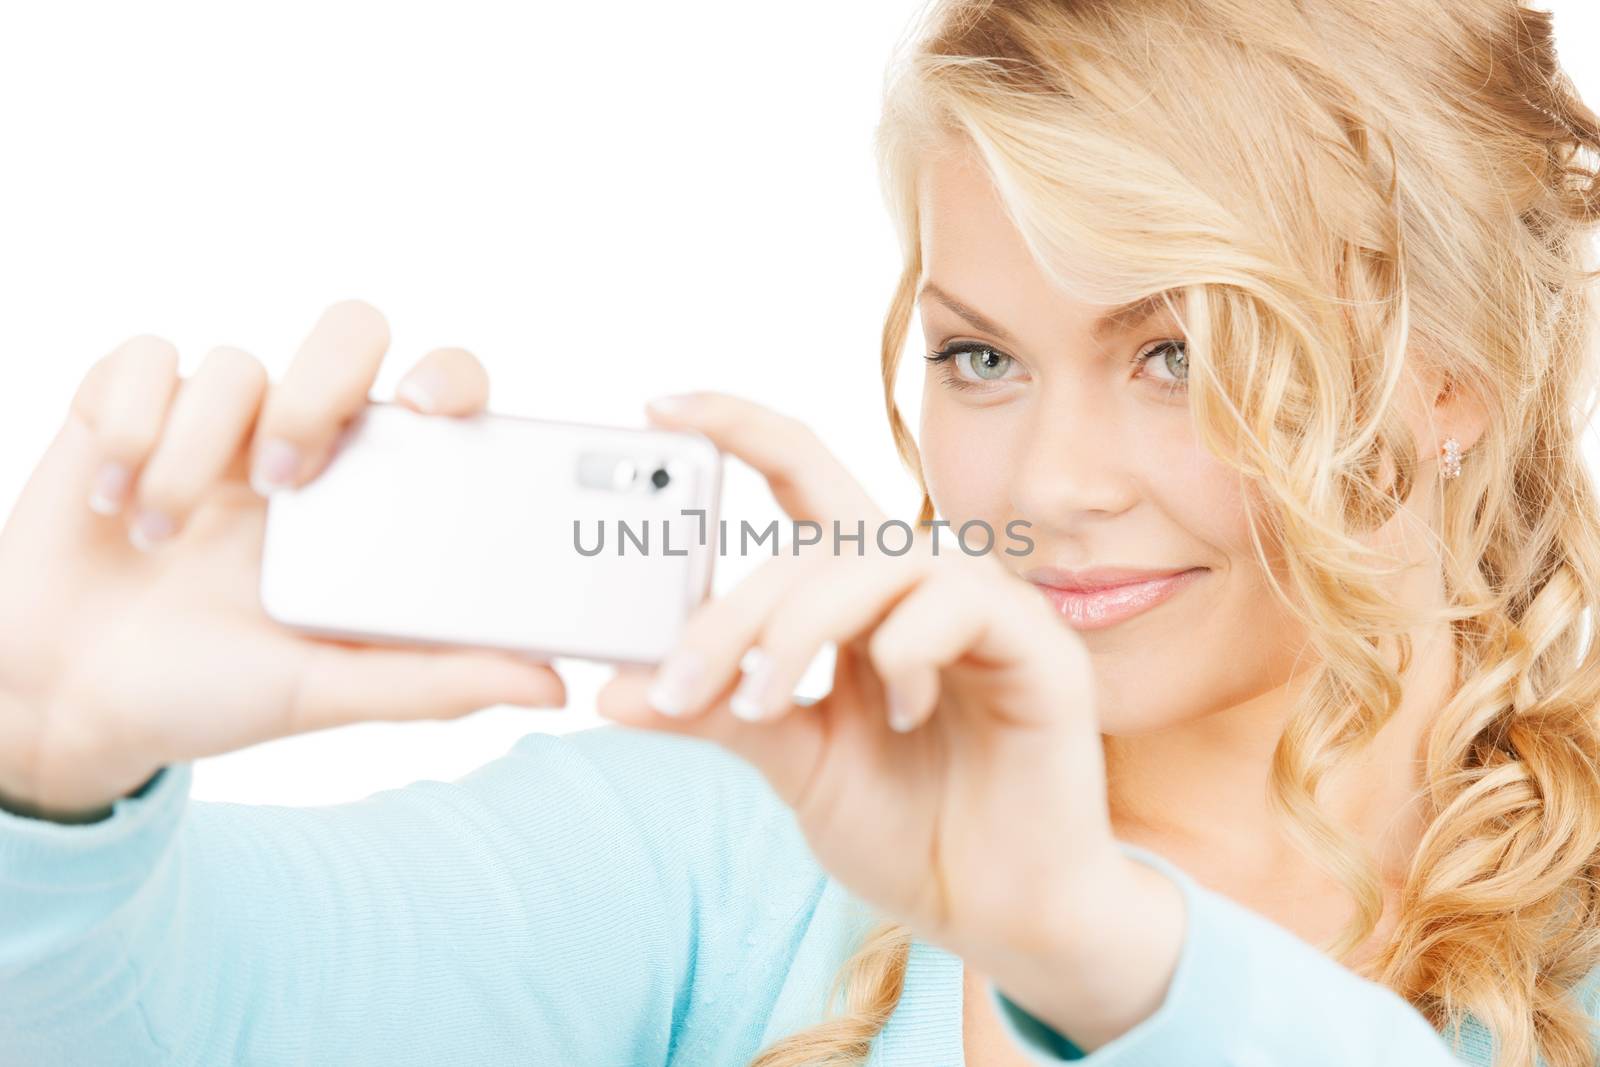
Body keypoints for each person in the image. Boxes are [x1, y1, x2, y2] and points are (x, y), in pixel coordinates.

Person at [4, 0, 1600, 1063]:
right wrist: (44, 780)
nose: (1049, 484)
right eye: (982, 355)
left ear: (1452, 375)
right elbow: (200, 1014)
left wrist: (1084, 942)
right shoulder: (759, 830)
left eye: (1176, 352)